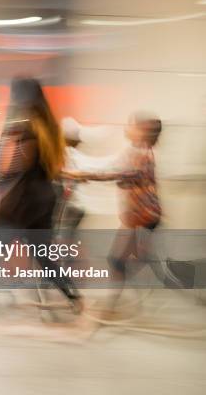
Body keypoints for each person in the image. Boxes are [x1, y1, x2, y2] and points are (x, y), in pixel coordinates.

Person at [0, 77, 83, 313]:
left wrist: (5, 148)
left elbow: (12, 166)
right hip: (43, 200)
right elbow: (52, 167)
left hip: (20, 202)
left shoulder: (25, 127)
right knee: (44, 257)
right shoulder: (49, 128)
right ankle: (74, 298)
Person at [68, 113, 162, 313]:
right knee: (122, 260)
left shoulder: (141, 154)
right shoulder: (134, 150)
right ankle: (117, 300)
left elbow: (117, 173)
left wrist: (83, 174)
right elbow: (110, 167)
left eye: (132, 125)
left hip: (143, 218)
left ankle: (113, 303)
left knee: (118, 260)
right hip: (138, 217)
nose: (127, 128)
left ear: (142, 132)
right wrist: (83, 173)